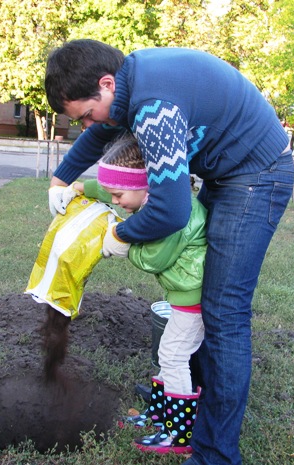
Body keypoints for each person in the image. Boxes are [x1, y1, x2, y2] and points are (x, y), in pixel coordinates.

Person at [45, 39, 294, 465]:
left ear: (106, 84)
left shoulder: (152, 108)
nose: (87, 126)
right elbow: (102, 131)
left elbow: (172, 210)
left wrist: (121, 239)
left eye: (85, 114)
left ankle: (214, 454)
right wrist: (60, 179)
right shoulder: (127, 83)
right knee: (205, 302)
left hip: (257, 176)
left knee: (224, 312)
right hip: (226, 174)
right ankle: (185, 420)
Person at [65, 134, 206, 454]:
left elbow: (155, 259)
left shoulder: (172, 216)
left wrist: (123, 246)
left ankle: (179, 435)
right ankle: (160, 414)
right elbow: (113, 186)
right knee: (168, 355)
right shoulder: (151, 193)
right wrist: (81, 187)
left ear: (145, 185)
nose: (114, 201)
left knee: (173, 357)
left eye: (118, 195)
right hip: (184, 296)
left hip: (193, 300)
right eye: (111, 194)